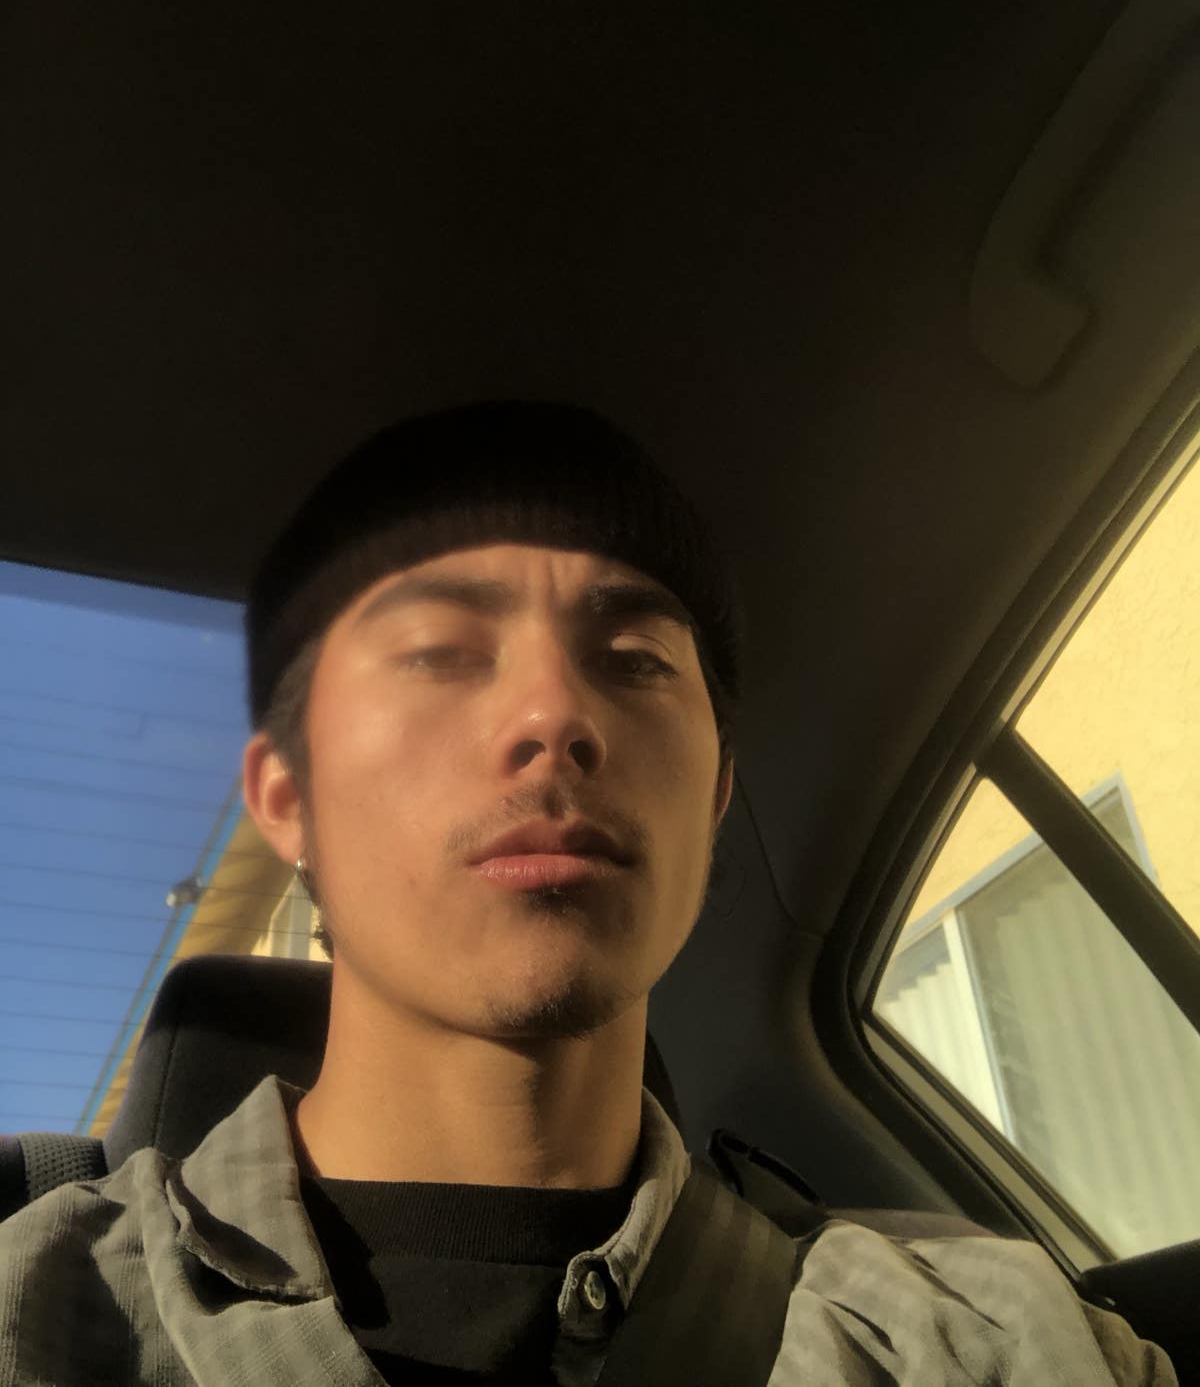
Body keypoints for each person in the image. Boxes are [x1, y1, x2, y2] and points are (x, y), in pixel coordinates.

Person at [0, 400, 1178, 1386]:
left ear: (716, 792)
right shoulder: (45, 1311)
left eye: (634, 661)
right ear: (287, 796)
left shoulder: (986, 1341)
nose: (555, 715)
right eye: (440, 653)